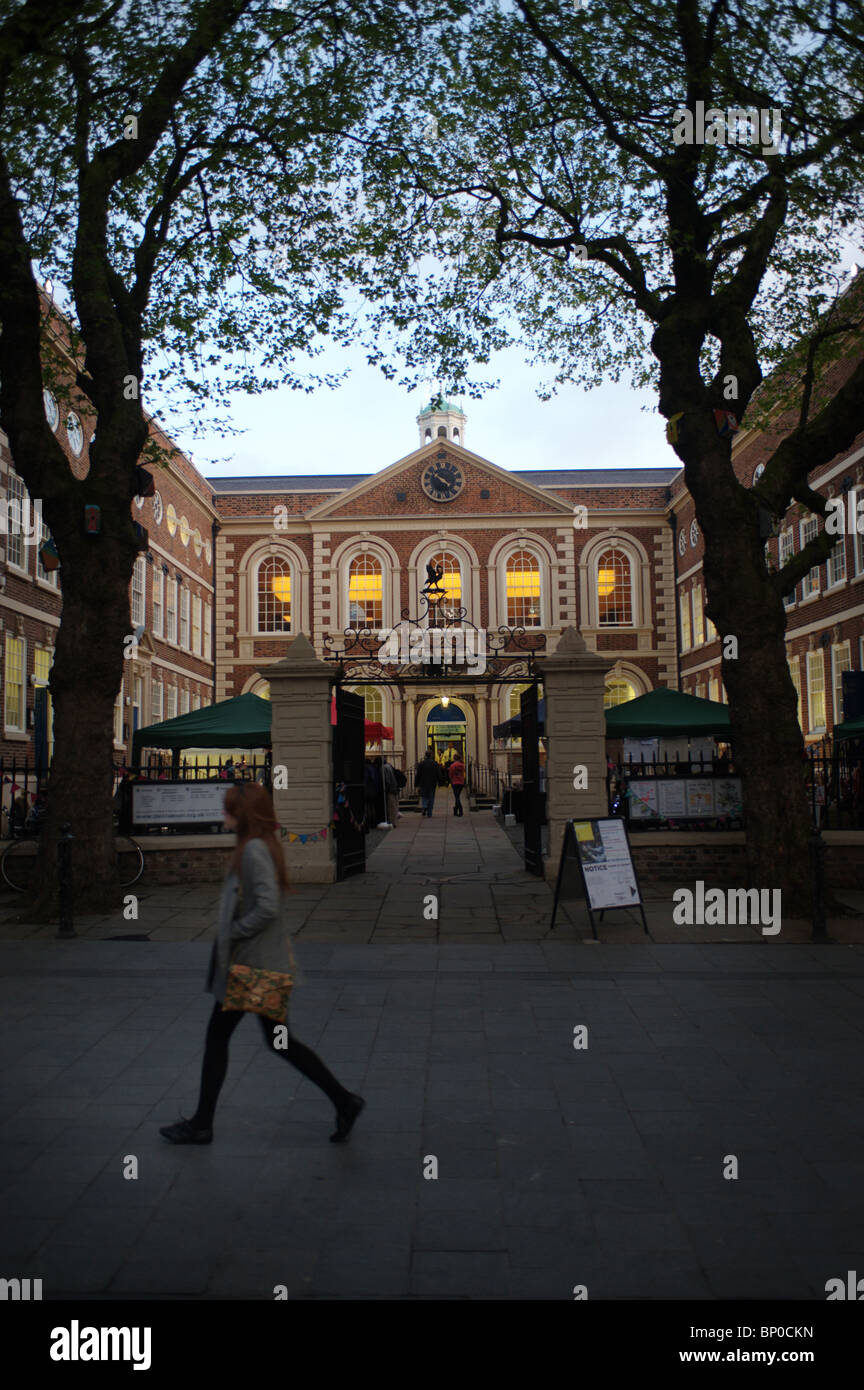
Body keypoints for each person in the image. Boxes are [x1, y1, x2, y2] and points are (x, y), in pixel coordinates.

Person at [159, 782, 364, 1145]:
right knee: (277, 1041)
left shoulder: (253, 850)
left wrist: (234, 932)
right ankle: (344, 1100)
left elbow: (268, 906)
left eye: (228, 810)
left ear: (244, 815)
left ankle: (202, 1124)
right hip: (258, 965)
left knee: (222, 1038)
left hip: (252, 969)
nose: (222, 815)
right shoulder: (255, 847)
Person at [415, 749, 440, 817]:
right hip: (432, 783)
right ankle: (429, 812)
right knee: (431, 797)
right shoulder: (435, 763)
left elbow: (418, 774)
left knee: (424, 796)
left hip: (423, 783)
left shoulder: (421, 764)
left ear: (425, 755)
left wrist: (416, 783)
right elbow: (438, 773)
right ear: (431, 755)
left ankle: (425, 806)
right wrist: (440, 781)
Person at [381, 758, 399, 827]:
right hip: (394, 788)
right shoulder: (389, 766)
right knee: (394, 805)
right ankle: (394, 821)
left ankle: (393, 822)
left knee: (392, 806)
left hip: (391, 789)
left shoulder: (384, 768)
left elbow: (387, 780)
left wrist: (386, 788)